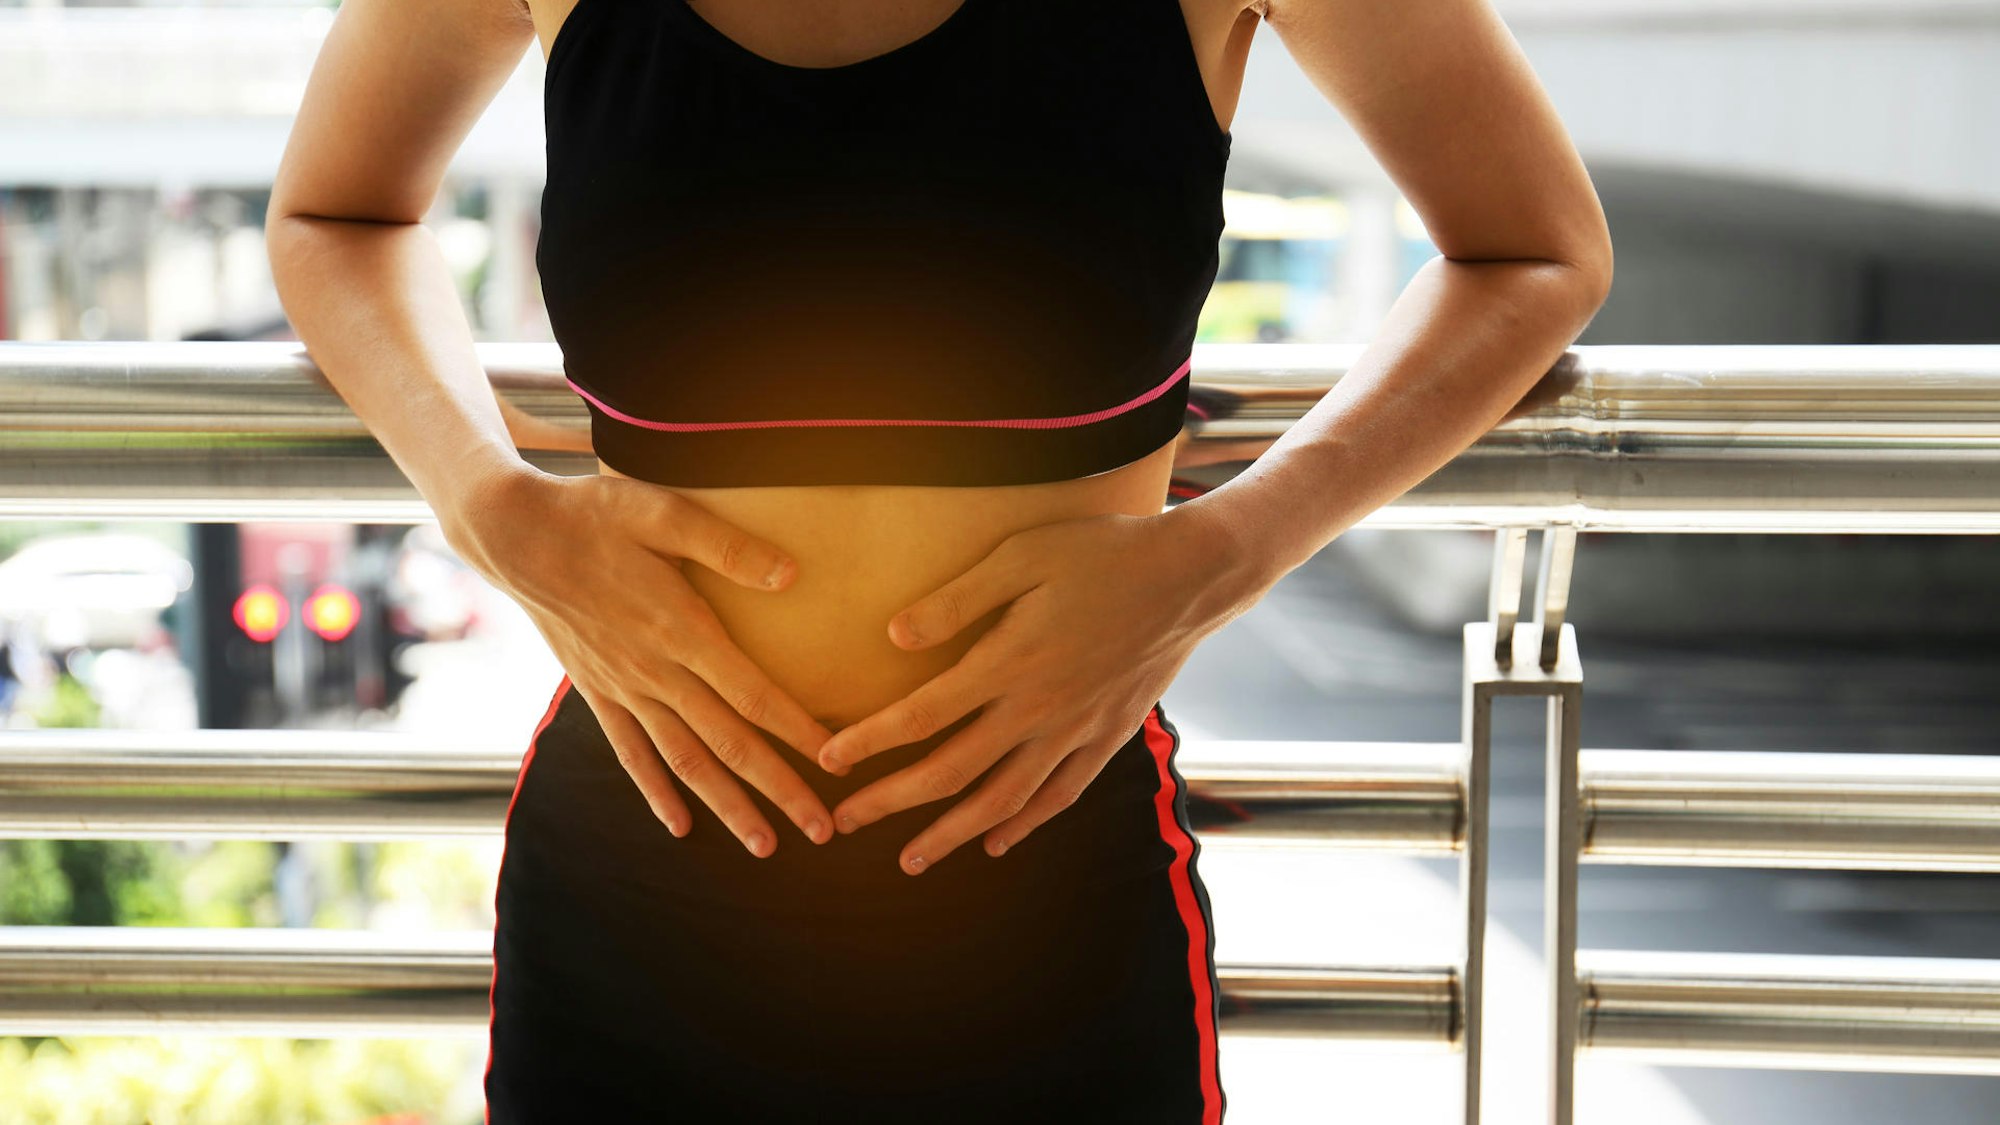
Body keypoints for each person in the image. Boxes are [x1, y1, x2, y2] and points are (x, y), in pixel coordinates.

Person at [265, 0, 1612, 1119]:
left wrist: (1229, 551)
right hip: (646, 869)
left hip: (1041, 886)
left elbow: (1535, 251)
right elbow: (335, 217)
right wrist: (489, 503)